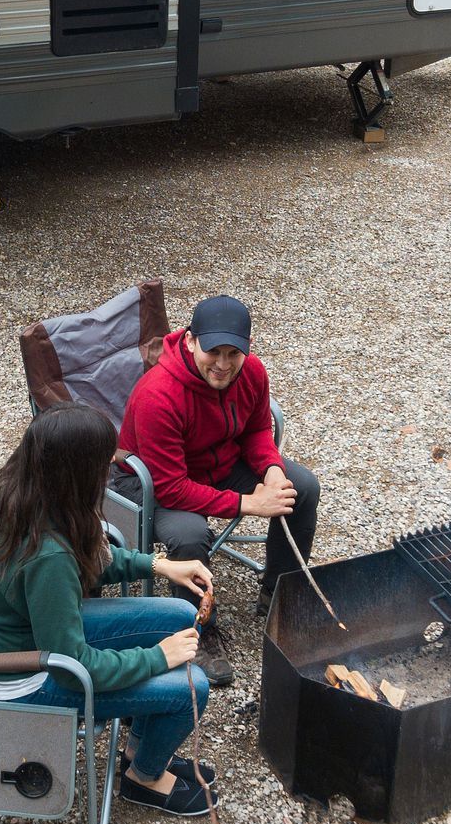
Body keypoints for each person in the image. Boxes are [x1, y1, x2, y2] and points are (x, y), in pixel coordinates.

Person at [0, 402, 223, 817]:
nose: (108, 474)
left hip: (36, 636)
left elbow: (91, 558)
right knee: (193, 686)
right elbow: (71, 667)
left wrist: (157, 563)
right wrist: (158, 657)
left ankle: (139, 748)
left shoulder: (27, 491)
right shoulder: (47, 555)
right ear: (75, 474)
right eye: (102, 465)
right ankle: (144, 779)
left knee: (176, 612)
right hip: (25, 676)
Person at [115, 294, 321, 688]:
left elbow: (257, 429)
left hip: (217, 465)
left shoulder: (253, 373)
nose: (224, 365)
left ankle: (280, 594)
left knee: (303, 487)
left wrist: (272, 470)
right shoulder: (158, 394)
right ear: (191, 341)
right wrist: (248, 503)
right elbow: (172, 489)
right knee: (191, 533)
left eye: (234, 354)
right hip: (149, 483)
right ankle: (196, 629)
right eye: (214, 352)